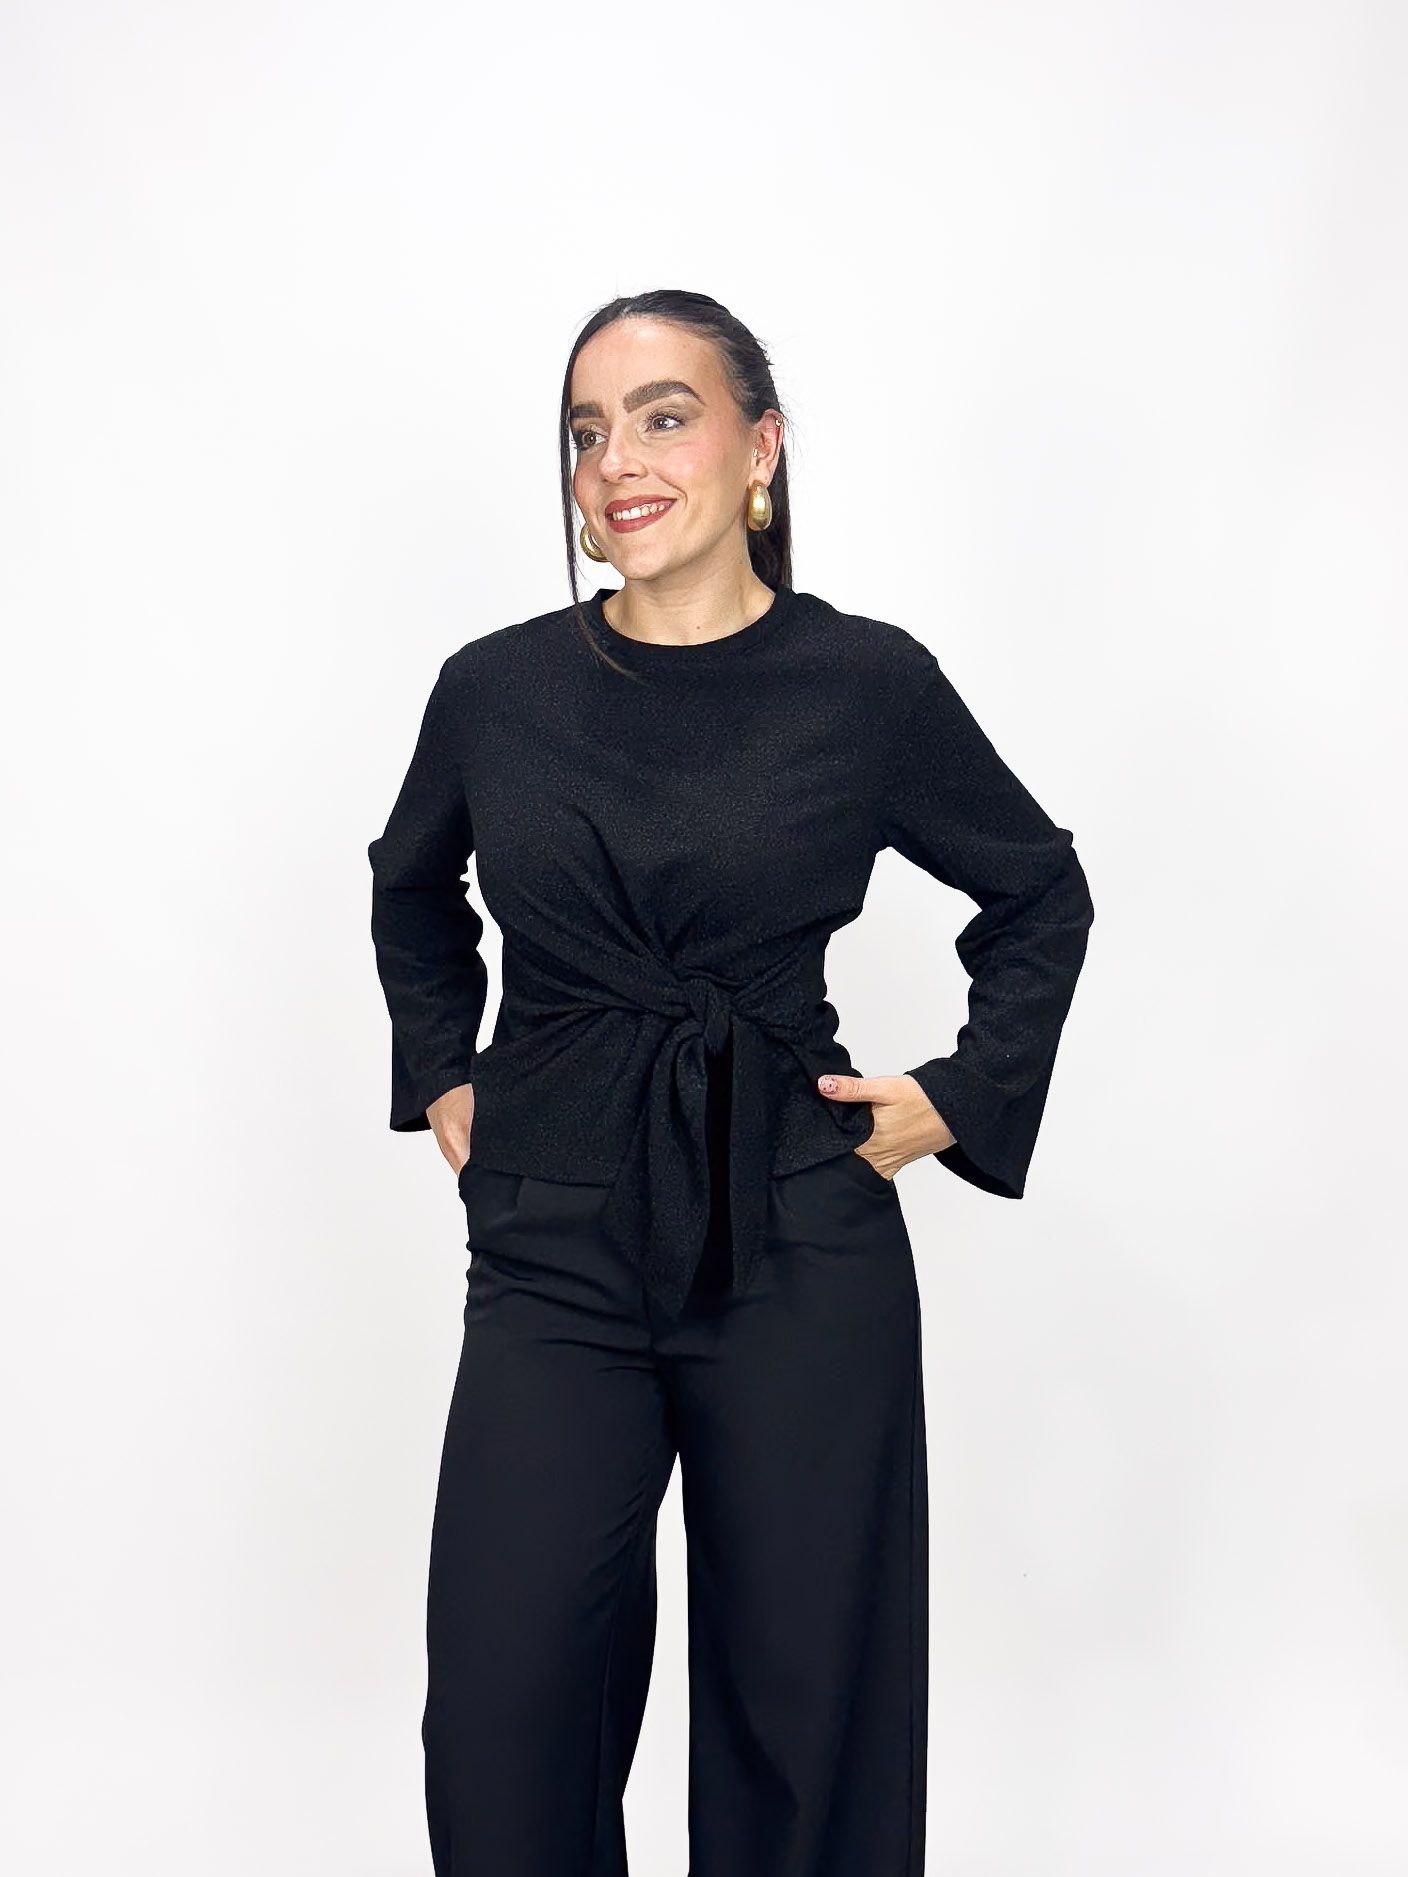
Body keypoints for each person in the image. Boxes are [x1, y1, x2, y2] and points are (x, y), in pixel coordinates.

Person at [367, 287, 1095, 1877]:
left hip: (796, 1227)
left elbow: (1039, 889)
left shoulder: (865, 684)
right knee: (505, 1714)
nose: (616, 460)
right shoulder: (496, 690)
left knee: (805, 1715)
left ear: (759, 448)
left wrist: (964, 1090)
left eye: (663, 415)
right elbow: (411, 885)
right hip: (556, 1239)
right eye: (587, 431)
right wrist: (442, 1070)